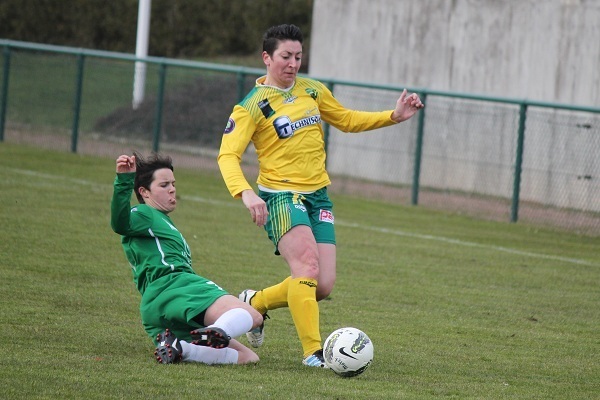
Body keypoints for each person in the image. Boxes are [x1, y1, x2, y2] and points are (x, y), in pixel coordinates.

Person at [217, 24, 424, 368]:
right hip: (281, 196)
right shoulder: (251, 106)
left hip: (318, 197)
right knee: (307, 267)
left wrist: (394, 116)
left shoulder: (312, 91)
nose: (293, 63)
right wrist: (247, 194)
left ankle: (256, 301)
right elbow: (227, 155)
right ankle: (314, 353)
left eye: (298, 56)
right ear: (266, 58)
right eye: (285, 56)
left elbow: (345, 119)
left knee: (322, 285)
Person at [111, 152, 264, 365]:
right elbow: (120, 223)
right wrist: (124, 181)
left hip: (155, 308)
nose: (172, 189)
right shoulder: (145, 214)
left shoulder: (159, 221)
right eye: (164, 185)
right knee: (252, 315)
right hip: (175, 286)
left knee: (249, 358)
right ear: (144, 192)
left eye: (173, 183)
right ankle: (216, 331)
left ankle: (181, 348)